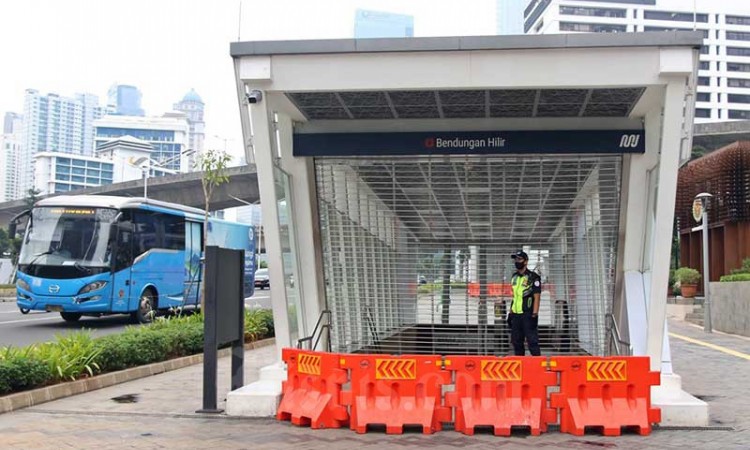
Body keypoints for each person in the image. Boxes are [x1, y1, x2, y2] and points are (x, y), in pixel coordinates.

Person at [507, 250, 541, 356]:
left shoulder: (533, 277)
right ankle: (520, 366)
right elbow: (515, 296)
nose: (517, 261)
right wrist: (510, 312)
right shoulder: (514, 277)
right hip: (516, 314)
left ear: (525, 261)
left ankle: (537, 366)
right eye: (515, 259)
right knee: (516, 342)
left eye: (519, 259)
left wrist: (534, 314)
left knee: (532, 341)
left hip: (528, 314)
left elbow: (537, 296)